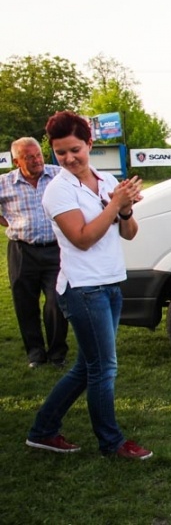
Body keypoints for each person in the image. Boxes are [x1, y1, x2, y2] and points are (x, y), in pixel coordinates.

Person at [25, 111, 152, 459]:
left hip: (110, 283)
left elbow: (129, 232)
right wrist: (115, 204)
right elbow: (81, 239)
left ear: (90, 144)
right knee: (104, 369)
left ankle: (43, 430)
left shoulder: (107, 180)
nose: (68, 158)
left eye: (75, 150)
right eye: (60, 152)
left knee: (88, 366)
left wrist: (125, 209)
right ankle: (111, 442)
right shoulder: (58, 191)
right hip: (83, 288)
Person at [0, 137, 69, 368]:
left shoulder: (59, 175)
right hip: (22, 250)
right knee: (25, 303)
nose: (36, 160)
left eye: (38, 154)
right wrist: (8, 221)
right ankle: (36, 354)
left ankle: (57, 353)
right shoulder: (5, 183)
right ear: (17, 161)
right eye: (29, 157)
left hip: (55, 249)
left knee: (57, 300)